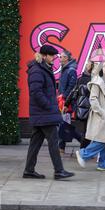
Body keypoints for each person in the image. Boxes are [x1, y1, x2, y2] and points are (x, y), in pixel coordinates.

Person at [23, 45, 74, 180]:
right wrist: (49, 106)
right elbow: (36, 92)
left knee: (35, 143)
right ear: (44, 56)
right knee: (53, 142)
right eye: (52, 56)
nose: (54, 59)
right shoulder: (37, 70)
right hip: (44, 113)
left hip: (42, 114)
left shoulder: (42, 68)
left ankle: (29, 170)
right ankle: (59, 171)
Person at [75, 59, 105, 171]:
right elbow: (93, 99)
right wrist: (101, 112)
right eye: (104, 66)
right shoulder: (97, 82)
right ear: (100, 69)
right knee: (102, 140)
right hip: (101, 116)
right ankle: (83, 154)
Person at [65, 61, 94, 149]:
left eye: (87, 65)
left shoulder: (81, 79)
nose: (85, 66)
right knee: (88, 130)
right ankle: (84, 150)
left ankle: (84, 150)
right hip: (90, 108)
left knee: (86, 130)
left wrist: (67, 104)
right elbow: (74, 92)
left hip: (83, 108)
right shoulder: (93, 80)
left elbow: (74, 92)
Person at [57, 50, 81, 153]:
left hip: (66, 103)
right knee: (64, 124)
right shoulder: (65, 69)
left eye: (61, 57)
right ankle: (61, 147)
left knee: (64, 124)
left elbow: (72, 86)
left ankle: (82, 142)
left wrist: (65, 98)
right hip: (63, 101)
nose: (59, 59)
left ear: (66, 58)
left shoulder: (71, 70)